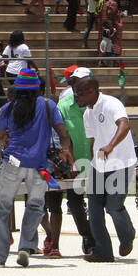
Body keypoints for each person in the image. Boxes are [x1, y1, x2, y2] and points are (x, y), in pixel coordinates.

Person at [0, 69, 67, 267]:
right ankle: (26, 247)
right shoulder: (48, 105)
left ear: (17, 89)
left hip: (13, 163)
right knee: (35, 207)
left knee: (1, 208)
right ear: (36, 89)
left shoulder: (8, 109)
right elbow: (62, 132)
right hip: (39, 166)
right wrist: (66, 150)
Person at [75, 74, 136, 262]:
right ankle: (103, 251)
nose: (78, 98)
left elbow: (124, 125)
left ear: (91, 91)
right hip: (98, 165)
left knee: (113, 206)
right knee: (94, 210)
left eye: (80, 94)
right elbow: (93, 140)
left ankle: (127, 237)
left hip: (121, 163)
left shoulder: (111, 104)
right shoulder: (87, 112)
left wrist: (111, 145)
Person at [41, 66, 95, 257]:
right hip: (74, 163)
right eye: (72, 82)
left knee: (99, 204)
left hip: (98, 162)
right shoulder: (63, 105)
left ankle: (97, 236)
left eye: (77, 82)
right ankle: (87, 238)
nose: (74, 86)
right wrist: (70, 162)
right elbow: (63, 137)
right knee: (75, 201)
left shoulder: (102, 104)